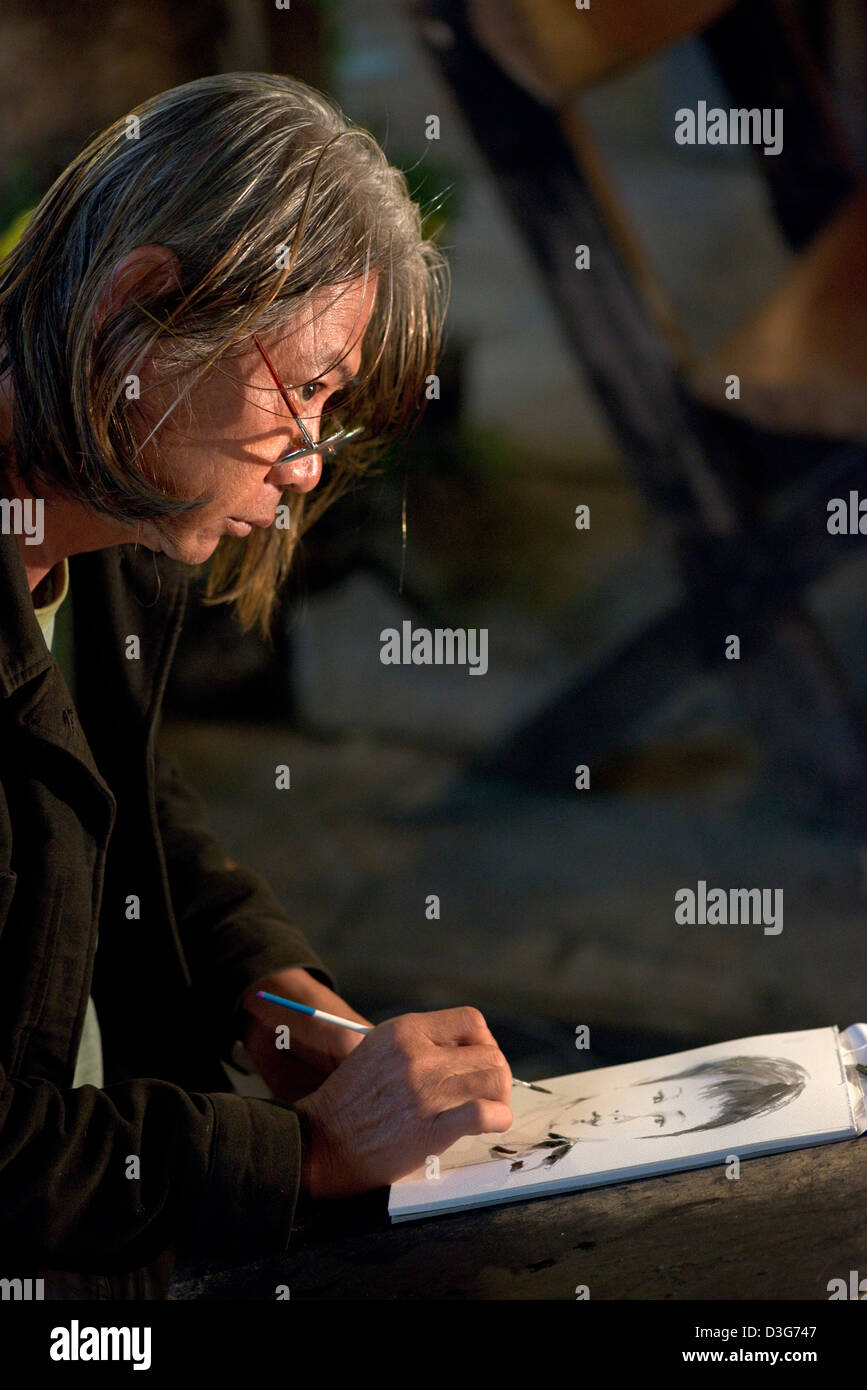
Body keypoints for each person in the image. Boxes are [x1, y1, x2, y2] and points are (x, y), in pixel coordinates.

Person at [0, 72, 514, 1298]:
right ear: (143, 308)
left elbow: (115, 794)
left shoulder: (91, 507)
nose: (306, 465)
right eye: (309, 391)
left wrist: (280, 1005)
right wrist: (311, 1152)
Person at [440, 1054, 809, 1176]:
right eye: (658, 1096)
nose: (622, 1118)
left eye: (660, 1121)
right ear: (650, 1079)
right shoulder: (489, 1095)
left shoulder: (538, 1165)